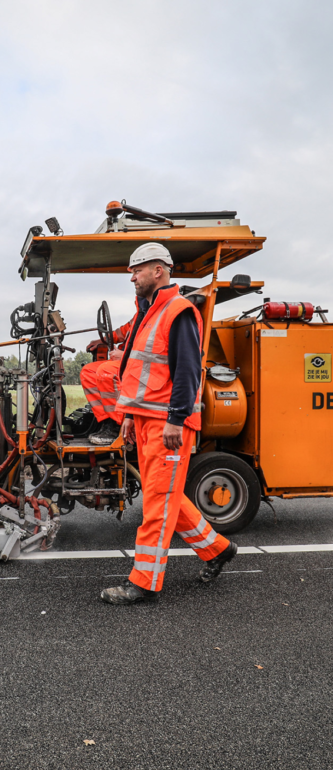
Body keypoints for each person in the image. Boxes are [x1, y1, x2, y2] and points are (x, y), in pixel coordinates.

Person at [98, 242, 237, 605]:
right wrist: (129, 415)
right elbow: (139, 372)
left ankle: (144, 583)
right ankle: (218, 549)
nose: (132, 276)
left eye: (137, 270)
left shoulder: (178, 310)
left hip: (168, 426)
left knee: (157, 506)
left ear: (158, 270)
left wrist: (177, 419)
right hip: (147, 421)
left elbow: (188, 371)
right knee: (165, 498)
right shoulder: (149, 311)